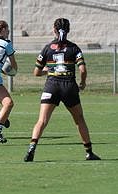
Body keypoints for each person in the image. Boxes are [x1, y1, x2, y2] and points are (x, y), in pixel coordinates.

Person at [24, 18, 101, 162]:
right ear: (69, 30)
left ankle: (32, 147)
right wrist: (82, 83)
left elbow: (36, 72)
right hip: (69, 87)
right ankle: (89, 152)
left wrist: (49, 70)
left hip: (51, 86)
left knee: (42, 120)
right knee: (79, 119)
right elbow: (83, 69)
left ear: (54, 29)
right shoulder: (74, 48)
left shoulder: (47, 48)